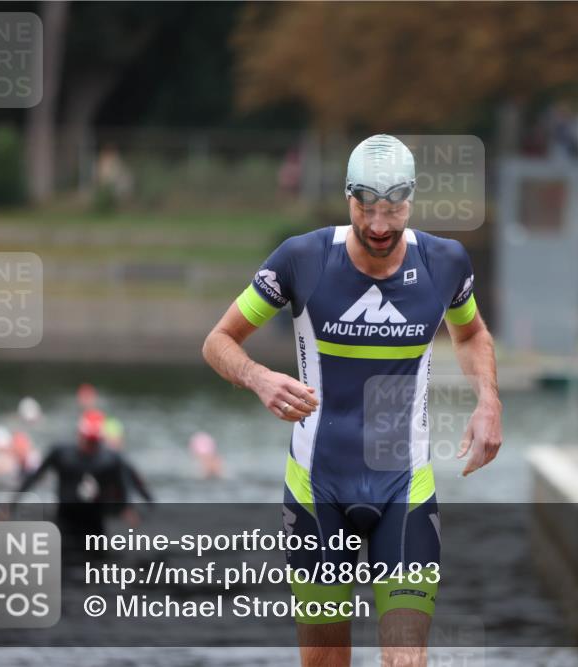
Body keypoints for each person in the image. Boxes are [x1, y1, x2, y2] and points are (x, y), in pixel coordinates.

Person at [202, 134, 503, 667]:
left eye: (392, 210)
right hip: (318, 488)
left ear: (411, 201)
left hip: (403, 487)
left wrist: (489, 401)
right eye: (367, 209)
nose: (380, 225)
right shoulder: (303, 258)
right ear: (349, 199)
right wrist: (259, 378)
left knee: (406, 660)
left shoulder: (445, 263)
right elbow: (218, 341)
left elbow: (472, 333)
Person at [16, 409, 153, 547]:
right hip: (65, 518)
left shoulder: (111, 459)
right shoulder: (61, 454)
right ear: (79, 434)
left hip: (95, 522)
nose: (90, 446)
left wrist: (127, 507)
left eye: (94, 442)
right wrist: (12, 502)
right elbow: (35, 476)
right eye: (88, 440)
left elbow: (127, 483)